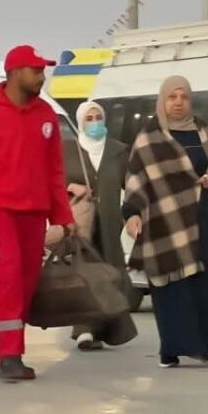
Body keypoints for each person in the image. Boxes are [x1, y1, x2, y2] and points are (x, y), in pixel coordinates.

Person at [0, 45, 74, 381]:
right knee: (7, 272)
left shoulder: (46, 116)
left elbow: (55, 171)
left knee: (26, 280)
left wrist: (62, 216)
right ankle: (9, 355)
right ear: (15, 72)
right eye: (36, 70)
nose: (42, 76)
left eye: (43, 70)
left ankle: (14, 349)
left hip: (34, 211)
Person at [123, 76, 208, 369]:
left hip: (203, 218)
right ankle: (172, 349)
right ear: (162, 101)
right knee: (171, 285)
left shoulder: (206, 132)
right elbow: (136, 180)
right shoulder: (149, 138)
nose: (178, 102)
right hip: (164, 221)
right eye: (172, 97)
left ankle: (201, 344)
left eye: (183, 97)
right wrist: (132, 214)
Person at [66, 100, 137, 351]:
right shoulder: (70, 150)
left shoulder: (118, 151)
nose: (95, 123)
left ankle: (110, 328)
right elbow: (50, 181)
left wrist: (133, 214)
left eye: (98, 118)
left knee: (110, 273)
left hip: (109, 222)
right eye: (89, 118)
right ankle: (84, 329)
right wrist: (70, 188)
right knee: (84, 274)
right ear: (81, 122)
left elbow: (132, 185)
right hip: (81, 224)